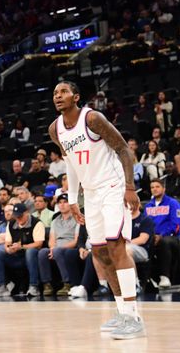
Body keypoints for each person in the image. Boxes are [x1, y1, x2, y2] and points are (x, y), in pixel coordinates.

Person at [48, 81, 144, 339]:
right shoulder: (55, 129)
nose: (58, 96)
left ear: (76, 97)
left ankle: (134, 316)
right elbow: (71, 165)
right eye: (55, 93)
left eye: (63, 92)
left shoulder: (92, 118)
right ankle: (123, 313)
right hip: (90, 194)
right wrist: (71, 199)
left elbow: (123, 148)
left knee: (116, 246)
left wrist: (130, 187)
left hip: (113, 186)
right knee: (99, 252)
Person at [0, 202, 45, 297]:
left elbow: (39, 243)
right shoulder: (11, 224)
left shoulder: (37, 223)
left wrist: (22, 247)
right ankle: (1, 286)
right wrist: (9, 249)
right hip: (16, 256)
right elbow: (8, 242)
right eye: (16, 216)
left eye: (20, 216)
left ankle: (34, 286)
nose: (18, 219)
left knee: (30, 251)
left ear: (27, 213)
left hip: (32, 256)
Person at [144, 180, 180, 289]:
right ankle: (147, 279)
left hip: (171, 237)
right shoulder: (148, 206)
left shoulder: (173, 203)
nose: (154, 189)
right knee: (143, 242)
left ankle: (165, 277)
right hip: (152, 236)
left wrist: (161, 235)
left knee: (164, 241)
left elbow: (177, 224)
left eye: (157, 186)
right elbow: (145, 224)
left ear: (163, 188)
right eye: (152, 187)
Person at [38, 194, 79, 296]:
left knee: (57, 251)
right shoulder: (55, 221)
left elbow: (76, 241)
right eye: (60, 203)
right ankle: (47, 284)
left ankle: (67, 283)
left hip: (71, 248)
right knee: (43, 252)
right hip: (57, 248)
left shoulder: (77, 219)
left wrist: (57, 249)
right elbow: (51, 240)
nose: (62, 205)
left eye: (65, 202)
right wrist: (52, 248)